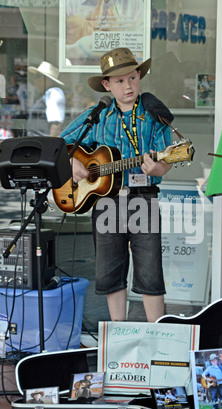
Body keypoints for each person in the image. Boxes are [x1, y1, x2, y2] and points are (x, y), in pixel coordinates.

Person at [60, 47, 172, 322]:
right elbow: (61, 143)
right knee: (110, 270)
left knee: (150, 270)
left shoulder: (153, 114)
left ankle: (158, 333)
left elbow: (166, 156)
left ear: (139, 77)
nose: (128, 86)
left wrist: (160, 166)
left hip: (143, 197)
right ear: (107, 85)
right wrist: (73, 163)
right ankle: (118, 333)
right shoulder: (97, 116)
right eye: (119, 81)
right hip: (105, 200)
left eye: (132, 78)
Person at [27, 61, 66, 137]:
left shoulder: (54, 93)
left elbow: (56, 123)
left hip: (43, 144)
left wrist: (50, 145)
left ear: (47, 80)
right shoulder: (47, 93)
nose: (34, 79)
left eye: (37, 76)